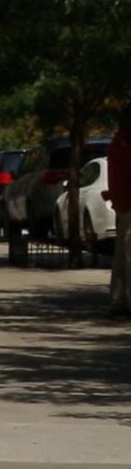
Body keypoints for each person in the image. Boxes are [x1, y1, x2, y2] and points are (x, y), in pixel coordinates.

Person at [105, 105, 131, 315]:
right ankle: (122, 299)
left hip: (123, 206)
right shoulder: (124, 145)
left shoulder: (118, 143)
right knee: (126, 256)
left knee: (122, 256)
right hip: (128, 205)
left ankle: (119, 299)